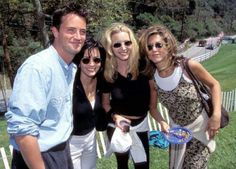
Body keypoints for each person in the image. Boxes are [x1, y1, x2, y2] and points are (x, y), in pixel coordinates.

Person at [5, 2, 87, 169]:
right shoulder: (37, 68)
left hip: (61, 152)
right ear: (55, 32)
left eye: (82, 31)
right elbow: (23, 131)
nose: (78, 36)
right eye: (71, 30)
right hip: (36, 157)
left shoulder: (70, 69)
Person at [139, 24, 221, 169]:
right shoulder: (153, 78)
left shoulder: (188, 66)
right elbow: (152, 108)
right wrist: (162, 122)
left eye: (158, 45)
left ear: (168, 45)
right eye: (149, 47)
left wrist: (216, 116)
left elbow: (215, 85)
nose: (154, 50)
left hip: (200, 129)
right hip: (177, 133)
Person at [100, 23, 168, 169]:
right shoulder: (108, 73)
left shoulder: (143, 64)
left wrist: (161, 121)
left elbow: (153, 97)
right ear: (110, 48)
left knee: (143, 165)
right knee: (122, 165)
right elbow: (105, 103)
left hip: (141, 125)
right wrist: (115, 117)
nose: (123, 48)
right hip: (118, 126)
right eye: (117, 44)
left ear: (133, 43)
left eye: (127, 43)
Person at [70, 37, 106, 169]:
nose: (92, 64)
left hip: (90, 139)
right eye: (86, 60)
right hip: (70, 142)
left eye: (96, 60)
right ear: (79, 62)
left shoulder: (102, 83)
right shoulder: (70, 85)